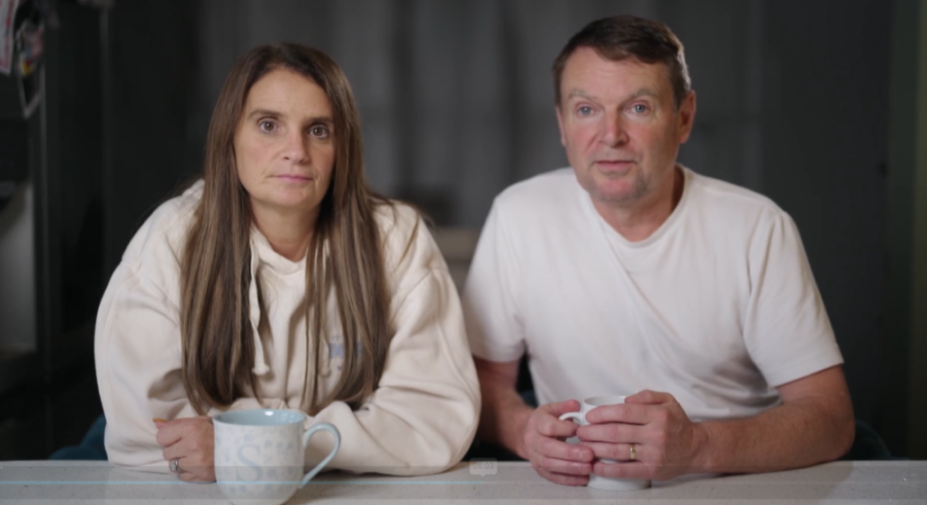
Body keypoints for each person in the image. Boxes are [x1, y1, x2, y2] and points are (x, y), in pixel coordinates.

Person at [463, 14, 854, 486]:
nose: (611, 136)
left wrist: (698, 448)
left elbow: (831, 419)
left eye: (638, 108)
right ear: (563, 124)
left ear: (683, 117)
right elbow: (480, 383)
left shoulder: (757, 228)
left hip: (736, 484)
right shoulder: (519, 215)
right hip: (584, 490)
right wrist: (525, 430)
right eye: (586, 109)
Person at [94, 43, 479, 482]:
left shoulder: (397, 239)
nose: (296, 150)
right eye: (268, 125)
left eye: (318, 130)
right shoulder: (170, 241)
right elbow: (147, 433)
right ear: (229, 137)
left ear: (342, 149)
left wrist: (259, 448)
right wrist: (352, 438)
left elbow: (433, 420)